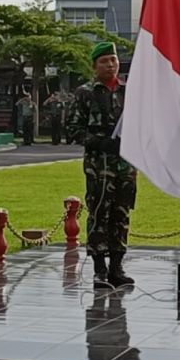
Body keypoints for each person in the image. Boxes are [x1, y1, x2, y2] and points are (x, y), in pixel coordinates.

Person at [67, 42, 137, 289]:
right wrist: (99, 142)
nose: (110, 65)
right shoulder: (85, 93)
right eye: (104, 61)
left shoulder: (130, 91)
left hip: (126, 164)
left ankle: (117, 267)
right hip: (99, 165)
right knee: (99, 214)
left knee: (122, 214)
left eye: (113, 60)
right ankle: (99, 269)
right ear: (94, 66)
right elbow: (73, 129)